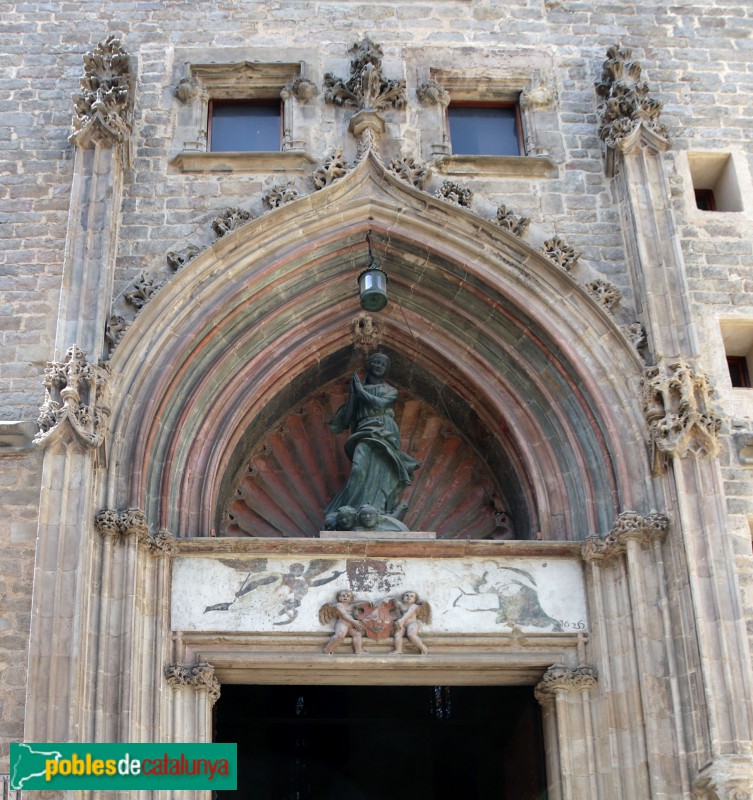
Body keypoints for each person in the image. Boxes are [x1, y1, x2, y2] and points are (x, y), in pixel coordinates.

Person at [324, 353, 420, 521]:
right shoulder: (359, 391)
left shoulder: (390, 390)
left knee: (383, 470)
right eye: (375, 362)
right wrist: (354, 394)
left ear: (387, 369)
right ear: (369, 365)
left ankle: (377, 511)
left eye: (383, 363)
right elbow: (346, 420)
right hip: (365, 429)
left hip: (386, 430)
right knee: (358, 468)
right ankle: (352, 509)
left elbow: (380, 403)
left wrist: (360, 391)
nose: (379, 365)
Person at [319, 590, 366, 655]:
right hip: (342, 624)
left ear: (351, 598)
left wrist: (369, 603)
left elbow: (360, 604)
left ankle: (359, 650)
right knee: (340, 635)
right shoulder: (338, 605)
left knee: (357, 634)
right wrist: (354, 622)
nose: (345, 597)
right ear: (338, 597)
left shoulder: (351, 606)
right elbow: (344, 615)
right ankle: (328, 649)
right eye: (343, 595)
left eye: (348, 596)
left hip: (350, 626)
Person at [392, 591, 430, 655]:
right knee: (397, 635)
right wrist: (398, 621)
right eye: (406, 595)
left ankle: (423, 648)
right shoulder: (400, 605)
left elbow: (408, 614)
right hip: (402, 623)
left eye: (411, 596)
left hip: (412, 623)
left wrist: (401, 620)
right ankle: (398, 650)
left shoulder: (414, 606)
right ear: (402, 598)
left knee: (411, 635)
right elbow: (398, 614)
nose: (408, 597)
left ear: (415, 600)